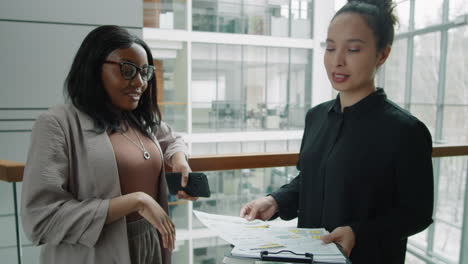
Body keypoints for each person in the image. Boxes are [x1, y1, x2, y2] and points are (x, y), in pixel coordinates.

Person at [240, 0, 434, 263]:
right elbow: (310, 180)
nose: (337, 60)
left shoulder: (406, 130)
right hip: (308, 257)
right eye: (330, 48)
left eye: (353, 49)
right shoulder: (316, 117)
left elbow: (416, 214)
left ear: (382, 54)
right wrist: (275, 201)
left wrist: (359, 232)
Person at [21, 25, 196, 264]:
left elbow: (173, 139)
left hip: (151, 245)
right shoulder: (57, 124)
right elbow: (41, 219)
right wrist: (137, 201)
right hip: (93, 254)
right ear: (93, 69)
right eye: (127, 70)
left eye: (144, 72)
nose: (140, 82)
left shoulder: (138, 119)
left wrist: (178, 159)